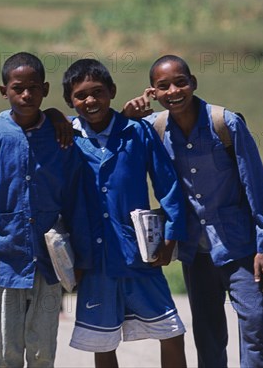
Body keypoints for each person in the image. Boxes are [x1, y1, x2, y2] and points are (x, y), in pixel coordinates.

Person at [124, 55, 263, 367]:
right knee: (208, 336)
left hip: (240, 247)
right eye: (163, 86)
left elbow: (255, 187)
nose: (174, 91)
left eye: (181, 82)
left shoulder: (225, 123)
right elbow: (114, 148)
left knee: (255, 327)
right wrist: (127, 117)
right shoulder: (154, 129)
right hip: (196, 250)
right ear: (153, 92)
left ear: (193, 83)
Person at [0, 52, 91, 367]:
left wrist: (80, 256)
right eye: (18, 88)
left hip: (50, 261)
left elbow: (74, 200)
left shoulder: (62, 136)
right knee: (8, 351)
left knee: (43, 349)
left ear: (45, 89)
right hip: (5, 259)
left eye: (33, 87)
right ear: (4, 91)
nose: (26, 94)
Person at [62, 58, 188, 368]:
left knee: (170, 330)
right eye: (80, 95)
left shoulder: (137, 132)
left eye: (98, 91)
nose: (90, 101)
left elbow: (168, 187)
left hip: (138, 254)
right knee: (103, 341)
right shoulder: (66, 138)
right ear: (70, 101)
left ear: (112, 91)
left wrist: (171, 238)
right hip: (93, 259)